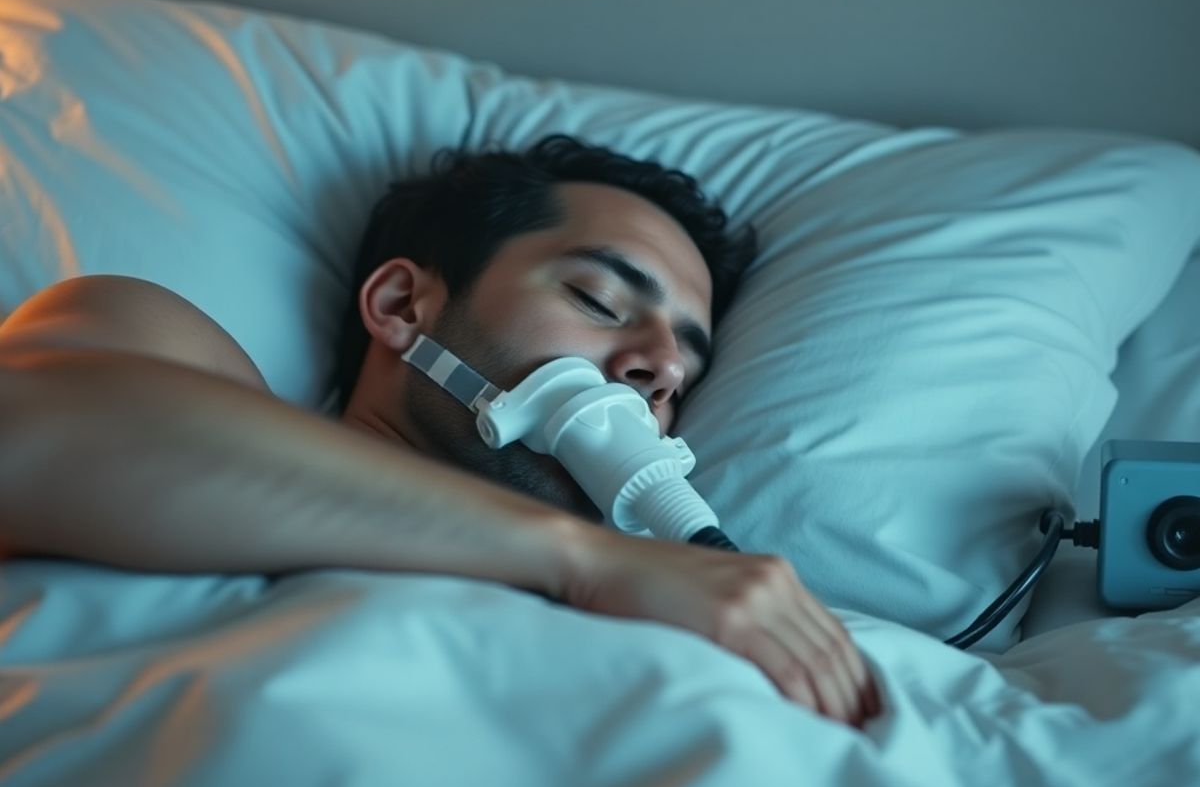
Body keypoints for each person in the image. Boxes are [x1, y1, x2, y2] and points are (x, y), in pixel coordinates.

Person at [0, 135, 879, 727]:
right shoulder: (160, 361)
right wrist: (592, 560)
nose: (660, 369)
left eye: (687, 365)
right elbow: (29, 430)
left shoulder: (694, 612)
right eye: (599, 301)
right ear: (402, 307)